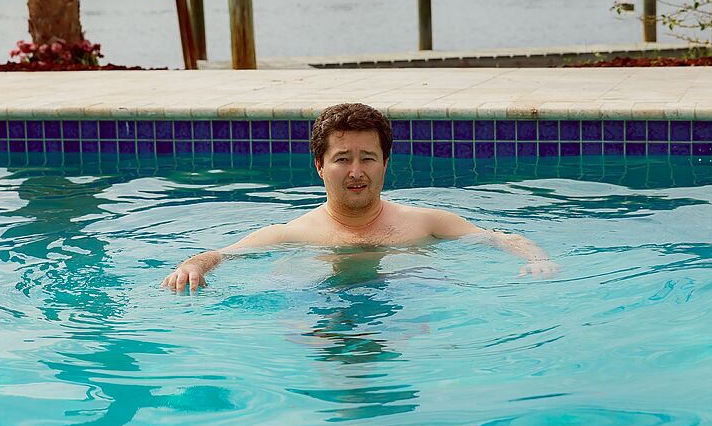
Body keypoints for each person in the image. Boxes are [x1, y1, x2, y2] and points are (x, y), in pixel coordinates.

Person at [161, 103, 559, 292]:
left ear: (385, 161)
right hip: (320, 310)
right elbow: (220, 255)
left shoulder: (427, 223)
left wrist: (537, 259)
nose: (356, 172)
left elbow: (499, 238)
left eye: (367, 158)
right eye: (342, 159)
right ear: (319, 165)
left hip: (409, 314)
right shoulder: (292, 234)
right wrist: (192, 266)